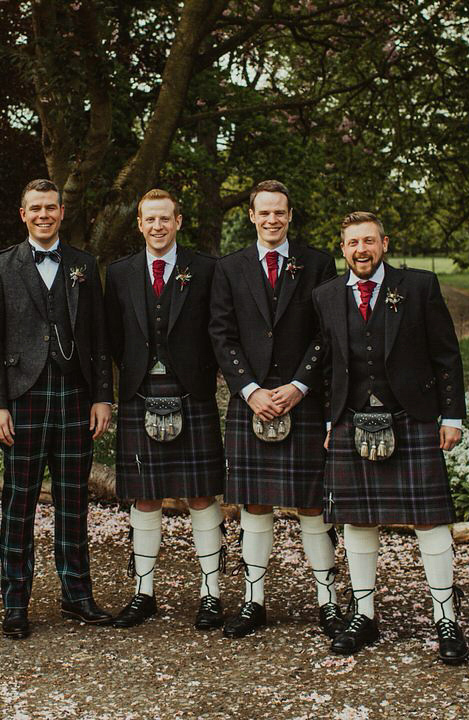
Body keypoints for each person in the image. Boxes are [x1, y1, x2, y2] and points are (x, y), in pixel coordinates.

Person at [312, 211, 469, 664]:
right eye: (352, 243)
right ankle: (364, 614)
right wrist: (328, 422)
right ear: (342, 249)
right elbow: (327, 366)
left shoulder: (418, 287)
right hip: (350, 418)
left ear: (384, 242)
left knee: (430, 519)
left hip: (412, 417)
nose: (360, 250)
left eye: (368, 241)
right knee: (358, 519)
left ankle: (446, 618)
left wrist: (452, 416)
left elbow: (446, 355)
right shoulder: (325, 296)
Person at [0, 179, 114, 639]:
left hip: (75, 397)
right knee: (19, 503)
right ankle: (15, 602)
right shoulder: (0, 266)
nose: (43, 215)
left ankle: (77, 596)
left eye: (50, 208)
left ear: (61, 212)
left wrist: (102, 395)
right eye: (34, 208)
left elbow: (97, 337)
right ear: (23, 214)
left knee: (74, 502)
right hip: (23, 398)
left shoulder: (83, 264)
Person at [208, 181, 340, 639]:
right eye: (264, 213)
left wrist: (300, 385)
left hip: (300, 399)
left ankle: (328, 602)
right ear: (251, 215)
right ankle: (252, 601)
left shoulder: (318, 263)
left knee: (310, 504)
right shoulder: (229, 267)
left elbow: (328, 331)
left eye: (279, 213)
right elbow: (221, 335)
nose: (271, 220)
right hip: (252, 403)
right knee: (254, 503)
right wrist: (248, 389)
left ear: (289, 214)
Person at [104, 189, 226, 631]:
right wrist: (134, 372)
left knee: (200, 495)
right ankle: (144, 593)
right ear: (140, 224)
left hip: (191, 392)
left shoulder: (207, 269)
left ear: (178, 222)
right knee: (146, 495)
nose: (157, 227)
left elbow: (219, 330)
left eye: (165, 219)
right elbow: (113, 336)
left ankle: (211, 594)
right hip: (141, 391)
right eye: (149, 220)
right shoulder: (119, 273)